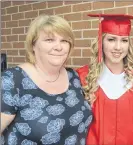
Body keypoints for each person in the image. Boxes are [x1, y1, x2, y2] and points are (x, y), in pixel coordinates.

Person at [1, 14, 92, 145]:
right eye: (49, 40)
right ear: (33, 45)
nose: (58, 47)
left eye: (64, 41)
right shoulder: (12, 80)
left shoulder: (74, 77)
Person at [76, 14, 133, 145]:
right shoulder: (84, 76)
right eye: (111, 40)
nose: (118, 47)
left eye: (124, 40)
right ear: (101, 41)